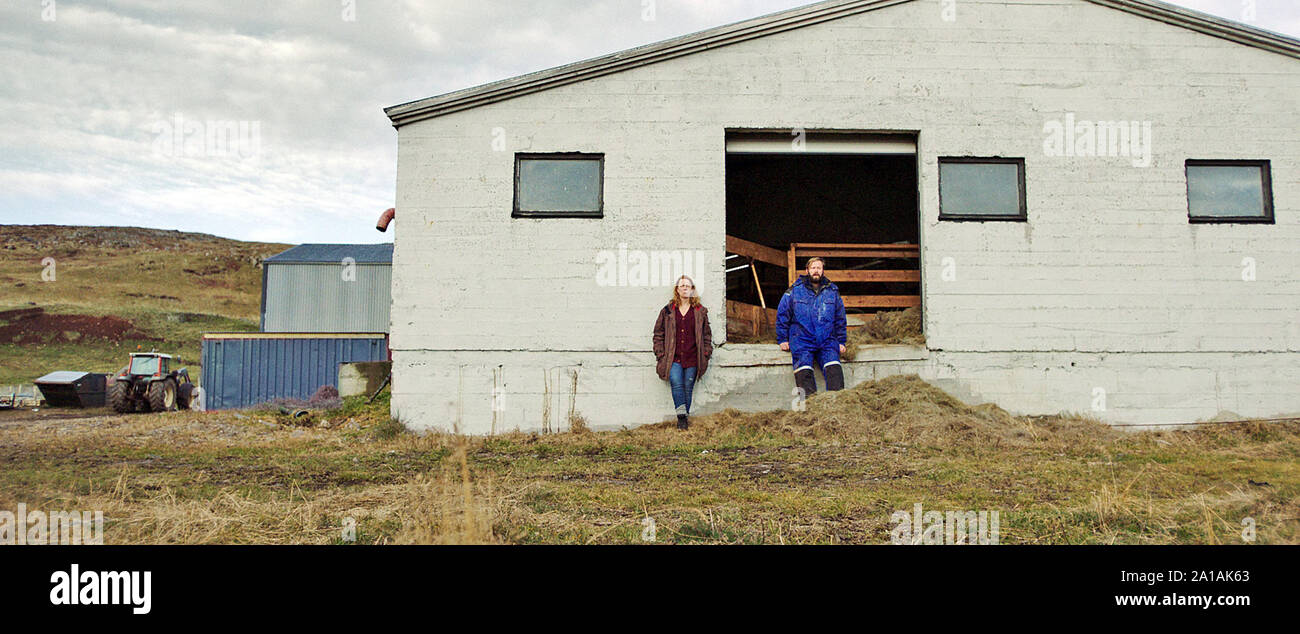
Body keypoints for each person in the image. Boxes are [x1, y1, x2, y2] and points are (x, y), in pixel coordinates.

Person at [776, 257, 847, 398]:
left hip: (826, 339)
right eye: (813, 268)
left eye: (819, 268)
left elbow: (840, 318)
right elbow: (783, 314)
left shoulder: (832, 291)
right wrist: (782, 338)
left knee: (834, 370)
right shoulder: (794, 291)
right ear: (807, 270)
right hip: (802, 339)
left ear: (823, 271)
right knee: (804, 371)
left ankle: (837, 405)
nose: (816, 271)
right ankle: (810, 408)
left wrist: (841, 341)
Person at [652, 275, 713, 430]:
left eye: (688, 286)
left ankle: (684, 418)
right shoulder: (667, 311)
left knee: (688, 386)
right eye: (682, 286)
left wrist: (706, 353)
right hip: (673, 357)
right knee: (677, 383)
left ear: (692, 290)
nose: (685, 288)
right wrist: (660, 354)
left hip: (693, 357)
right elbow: (658, 333)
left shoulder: (700, 311)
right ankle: (682, 419)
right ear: (677, 290)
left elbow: (707, 335)